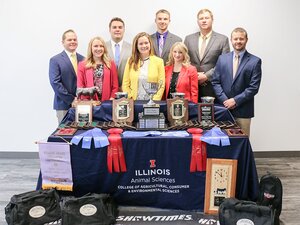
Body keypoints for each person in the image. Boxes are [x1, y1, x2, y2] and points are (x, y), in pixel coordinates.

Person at [211, 27, 262, 136]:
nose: (238, 41)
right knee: (223, 142)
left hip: (243, 110)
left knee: (242, 142)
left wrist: (235, 101)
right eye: (235, 39)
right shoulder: (222, 59)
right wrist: (225, 101)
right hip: (223, 109)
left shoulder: (255, 61)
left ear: (246, 40)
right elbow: (215, 82)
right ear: (231, 40)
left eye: (241, 39)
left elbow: (253, 88)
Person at [184, 8, 230, 100]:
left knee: (211, 113)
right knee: (191, 113)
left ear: (212, 20)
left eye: (207, 18)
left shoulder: (222, 39)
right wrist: (194, 75)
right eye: (201, 18)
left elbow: (224, 63)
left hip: (212, 87)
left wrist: (206, 76)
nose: (204, 21)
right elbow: (184, 60)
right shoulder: (188, 39)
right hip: (191, 86)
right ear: (198, 22)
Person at [49, 29, 84, 124]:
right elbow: (55, 83)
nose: (72, 42)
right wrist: (71, 99)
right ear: (63, 42)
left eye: (74, 39)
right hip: (63, 105)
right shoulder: (55, 60)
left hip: (82, 105)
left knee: (82, 133)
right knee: (65, 135)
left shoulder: (83, 59)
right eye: (69, 40)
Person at [122, 32, 165, 100]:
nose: (144, 46)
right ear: (136, 46)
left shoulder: (159, 62)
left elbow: (161, 85)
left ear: (150, 44)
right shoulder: (130, 61)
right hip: (134, 101)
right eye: (141, 44)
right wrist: (130, 97)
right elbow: (125, 84)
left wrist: (154, 100)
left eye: (146, 43)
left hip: (152, 103)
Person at [77, 37, 118, 101]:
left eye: (101, 46)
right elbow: (80, 86)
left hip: (107, 102)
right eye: (95, 46)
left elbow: (115, 86)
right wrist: (87, 102)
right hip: (89, 103)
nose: (99, 49)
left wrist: (111, 100)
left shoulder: (111, 64)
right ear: (91, 48)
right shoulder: (82, 65)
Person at [106, 17, 132, 89]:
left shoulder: (132, 48)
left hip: (126, 89)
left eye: (120, 27)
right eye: (114, 27)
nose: (117, 29)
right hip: (108, 89)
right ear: (109, 30)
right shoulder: (102, 48)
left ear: (124, 30)